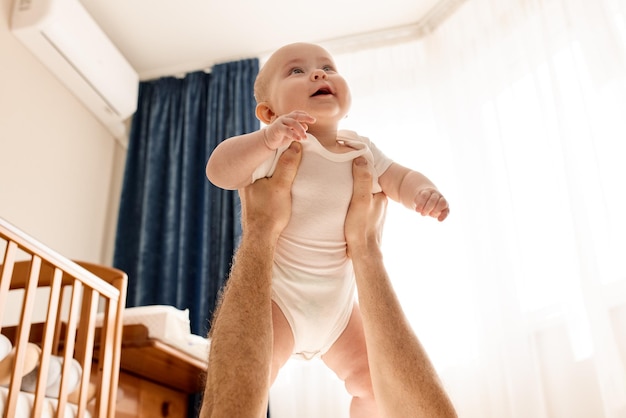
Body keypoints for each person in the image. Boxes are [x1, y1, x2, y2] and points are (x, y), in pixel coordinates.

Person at [205, 42, 450, 417]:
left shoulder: (362, 149)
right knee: (251, 375)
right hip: (278, 300)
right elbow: (219, 170)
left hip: (340, 310)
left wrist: (423, 193)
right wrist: (266, 138)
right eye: (296, 71)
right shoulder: (277, 147)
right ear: (270, 112)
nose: (318, 74)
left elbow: (401, 179)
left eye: (327, 67)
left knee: (374, 382)